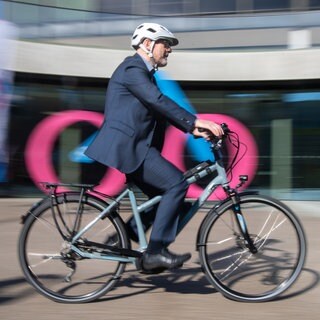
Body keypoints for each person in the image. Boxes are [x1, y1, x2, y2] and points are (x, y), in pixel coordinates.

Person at [85, 23, 224, 272]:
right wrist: (194, 121)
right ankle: (155, 252)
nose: (169, 50)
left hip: (136, 149)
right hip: (130, 149)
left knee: (166, 200)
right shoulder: (132, 68)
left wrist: (192, 129)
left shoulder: (145, 74)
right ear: (147, 44)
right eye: (165, 44)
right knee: (176, 184)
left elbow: (159, 108)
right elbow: (157, 100)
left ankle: (122, 237)